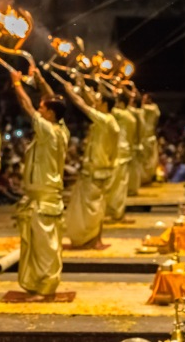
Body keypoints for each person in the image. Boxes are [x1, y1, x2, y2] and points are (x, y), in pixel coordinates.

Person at [10, 68, 69, 295]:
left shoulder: (48, 131)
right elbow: (53, 99)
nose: (39, 109)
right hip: (43, 197)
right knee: (38, 245)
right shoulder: (60, 128)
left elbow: (26, 107)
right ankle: (38, 282)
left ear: (51, 114)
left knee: (45, 247)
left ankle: (46, 284)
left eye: (43, 108)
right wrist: (42, 81)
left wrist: (17, 84)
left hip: (44, 199)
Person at [62, 76, 120, 249]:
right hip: (98, 170)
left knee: (92, 209)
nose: (96, 101)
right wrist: (82, 85)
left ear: (105, 105)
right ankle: (94, 240)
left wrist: (70, 93)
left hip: (96, 171)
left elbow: (84, 106)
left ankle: (91, 240)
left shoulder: (105, 120)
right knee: (95, 207)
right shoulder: (108, 118)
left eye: (99, 100)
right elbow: (91, 102)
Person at [105, 91, 137, 222]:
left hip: (119, 152)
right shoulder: (131, 116)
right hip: (125, 151)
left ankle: (115, 212)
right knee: (120, 185)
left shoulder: (121, 115)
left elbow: (105, 106)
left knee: (115, 185)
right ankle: (117, 212)